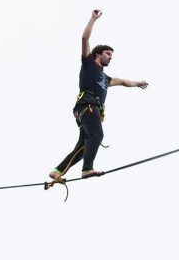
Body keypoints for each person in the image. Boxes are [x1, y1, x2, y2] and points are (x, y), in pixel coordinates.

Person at [47, 10, 148, 185]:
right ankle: (87, 168)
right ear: (98, 54)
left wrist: (138, 83)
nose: (110, 57)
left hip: (88, 110)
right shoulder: (88, 64)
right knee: (97, 136)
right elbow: (85, 39)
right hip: (88, 105)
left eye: (111, 55)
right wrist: (93, 19)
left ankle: (57, 171)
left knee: (83, 145)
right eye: (108, 54)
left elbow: (123, 81)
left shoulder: (105, 78)